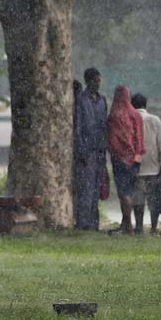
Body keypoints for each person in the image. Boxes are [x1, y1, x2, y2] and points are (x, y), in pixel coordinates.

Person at [73, 68, 108, 230]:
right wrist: (81, 151)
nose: (98, 83)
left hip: (100, 151)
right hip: (86, 152)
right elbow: (78, 126)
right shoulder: (81, 99)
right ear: (88, 81)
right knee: (85, 189)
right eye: (95, 80)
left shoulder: (102, 100)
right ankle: (83, 223)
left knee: (96, 190)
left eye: (99, 80)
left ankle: (94, 224)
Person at [107, 85, 145, 234]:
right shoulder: (136, 115)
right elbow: (140, 138)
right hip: (135, 160)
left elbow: (112, 140)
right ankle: (127, 223)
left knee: (124, 193)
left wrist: (116, 154)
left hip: (120, 160)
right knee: (131, 190)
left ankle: (128, 226)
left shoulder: (114, 115)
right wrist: (137, 154)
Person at [130, 93, 161, 235]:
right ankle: (153, 228)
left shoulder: (131, 119)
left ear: (132, 105)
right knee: (154, 199)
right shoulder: (155, 120)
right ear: (145, 105)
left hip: (137, 165)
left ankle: (139, 227)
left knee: (138, 198)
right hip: (153, 166)